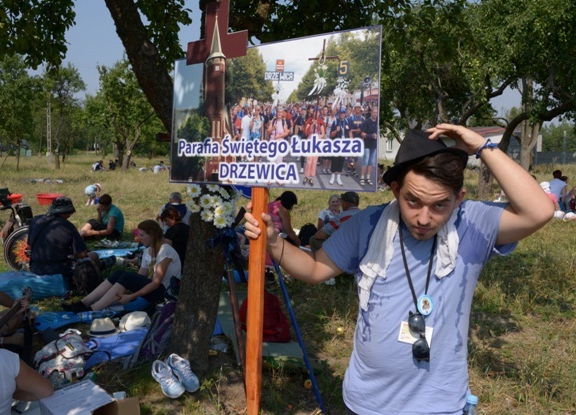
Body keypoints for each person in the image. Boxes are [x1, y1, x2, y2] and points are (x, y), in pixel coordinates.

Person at [244, 125, 553, 414]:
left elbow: (539, 210)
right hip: (366, 401)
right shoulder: (369, 224)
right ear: (395, 189)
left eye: (439, 206)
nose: (423, 218)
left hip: (438, 404)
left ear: (458, 199)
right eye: (413, 201)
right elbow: (314, 269)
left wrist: (482, 145)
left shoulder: (470, 224)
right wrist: (274, 242)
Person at [64, 220, 181, 312]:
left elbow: (156, 283)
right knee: (120, 274)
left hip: (165, 291)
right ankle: (84, 302)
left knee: (126, 277)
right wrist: (126, 287)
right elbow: (140, 276)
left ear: (152, 235)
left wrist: (131, 297)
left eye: (142, 235)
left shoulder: (165, 251)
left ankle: (93, 309)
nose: (139, 238)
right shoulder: (148, 251)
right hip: (154, 286)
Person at [29, 196, 89, 292]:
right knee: (92, 257)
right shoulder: (68, 226)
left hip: (36, 269)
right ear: (66, 213)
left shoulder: (35, 221)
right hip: (59, 271)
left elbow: (29, 246)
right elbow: (81, 254)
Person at [359, 107, 379, 186]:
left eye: (376, 112)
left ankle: (368, 177)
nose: (375, 114)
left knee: (371, 162)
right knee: (365, 161)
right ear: (371, 113)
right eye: (374, 112)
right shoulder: (367, 122)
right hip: (367, 144)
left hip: (374, 145)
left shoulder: (377, 122)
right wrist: (371, 136)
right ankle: (362, 177)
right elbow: (362, 133)